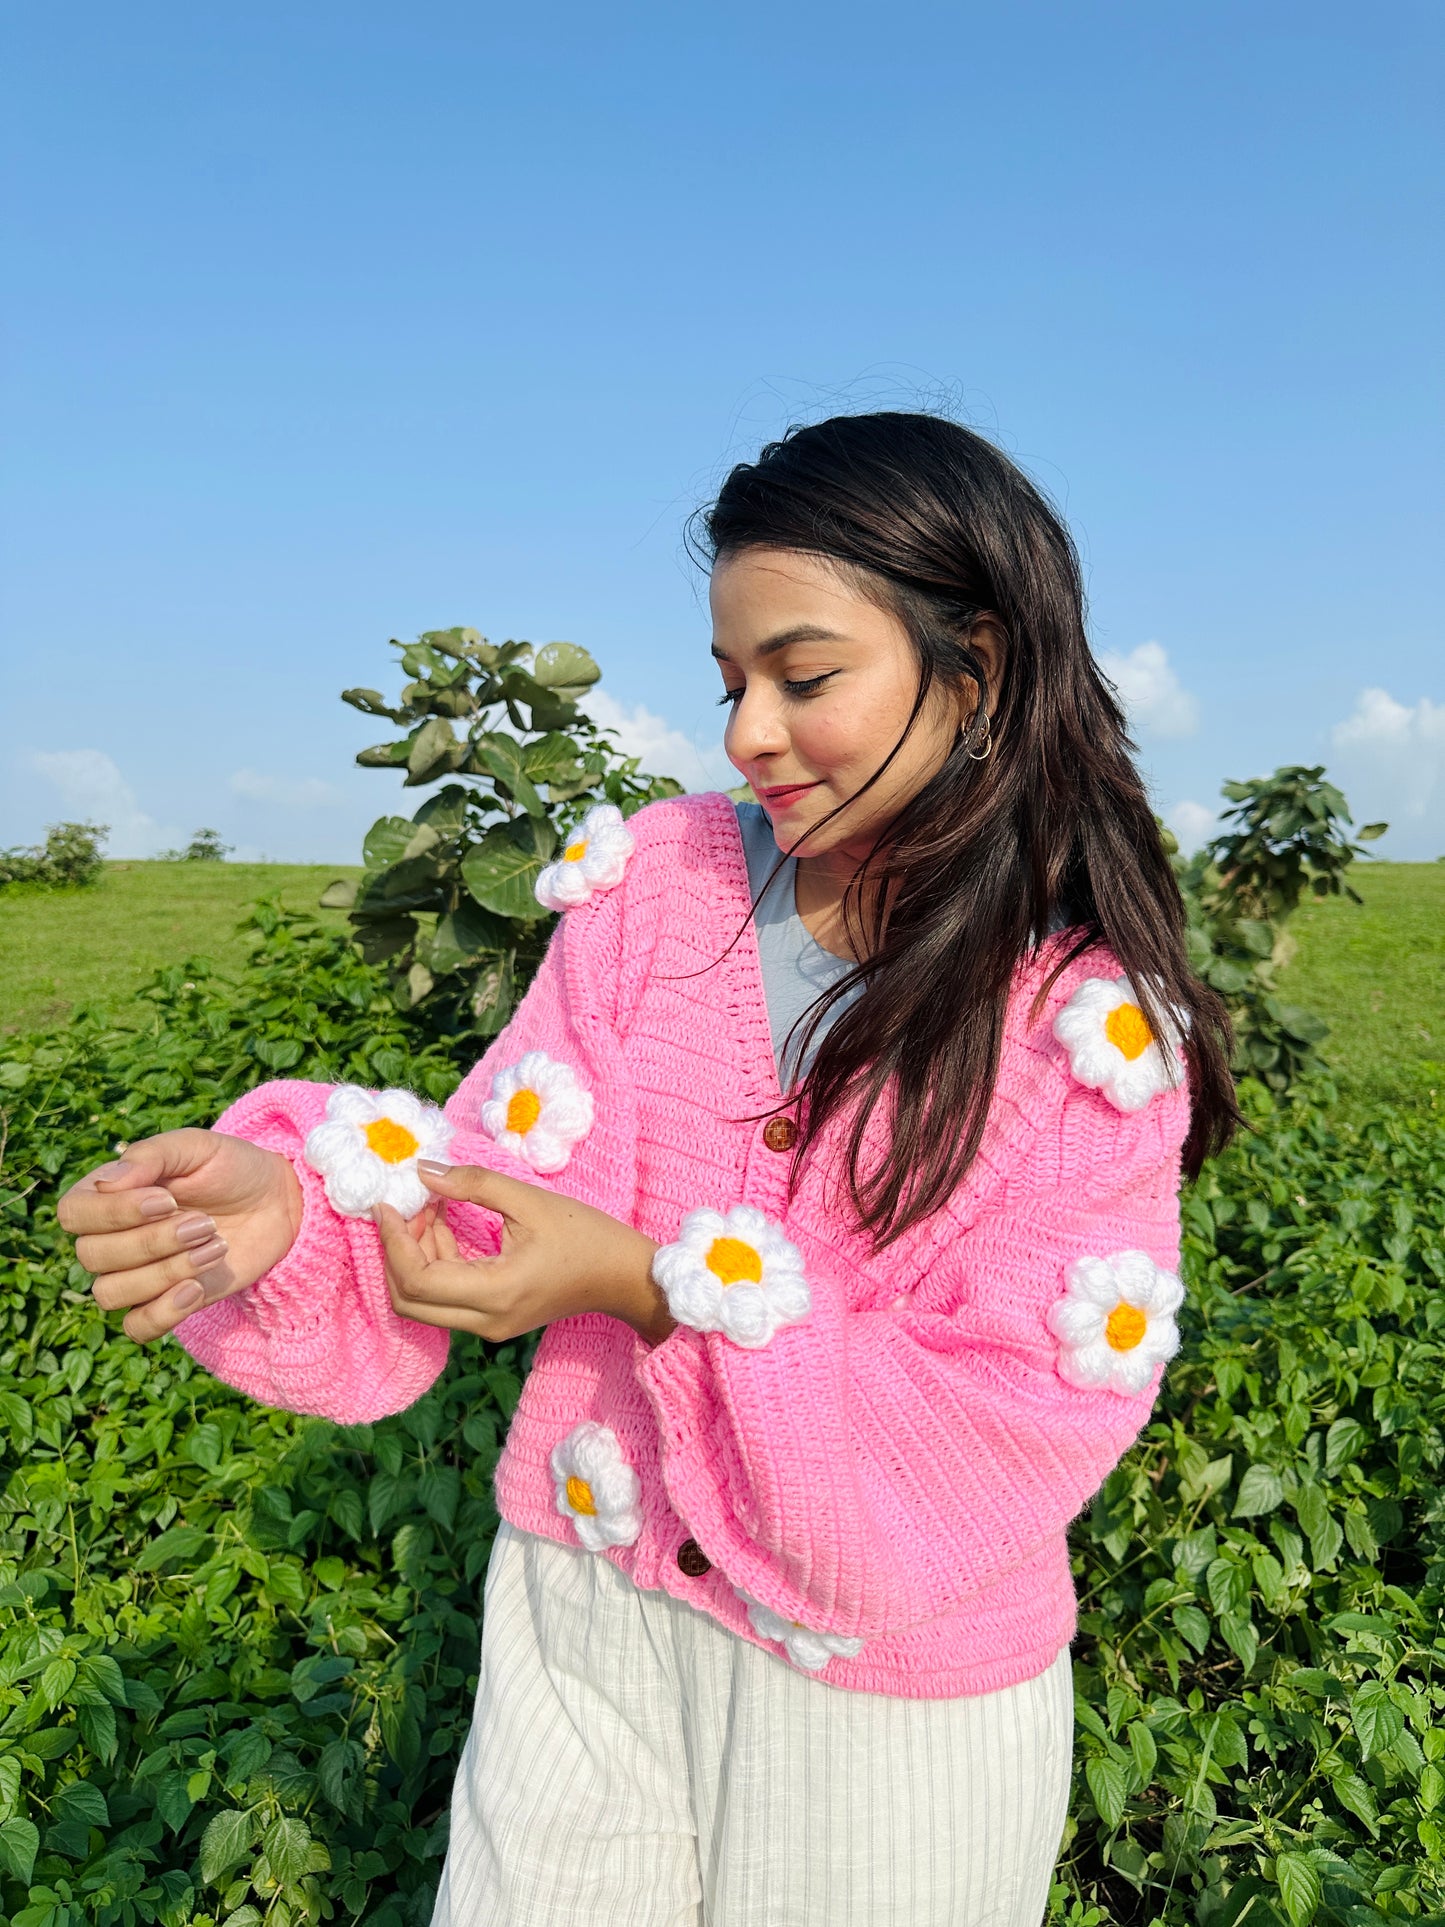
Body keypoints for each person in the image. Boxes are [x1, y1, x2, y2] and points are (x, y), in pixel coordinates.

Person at [60, 412, 1237, 1927]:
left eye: (803, 678)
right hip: (589, 1600)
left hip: (880, 1699)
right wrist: (299, 1207)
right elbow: (493, 1171)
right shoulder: (662, 886)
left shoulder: (1078, 1029)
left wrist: (640, 1288)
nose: (748, 730)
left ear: (982, 668)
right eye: (731, 682)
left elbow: (1008, 1411)